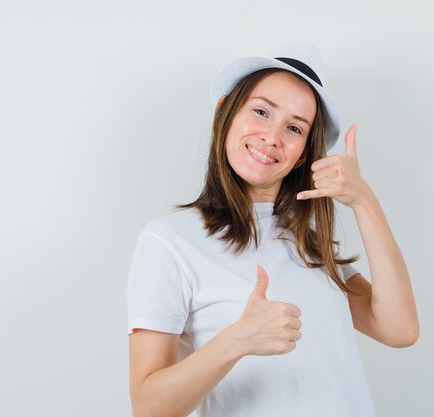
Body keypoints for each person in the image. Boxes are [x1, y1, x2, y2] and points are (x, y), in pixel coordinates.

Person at [126, 42, 419, 417]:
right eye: (262, 111)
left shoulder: (309, 246)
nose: (272, 137)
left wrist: (365, 202)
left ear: (303, 152)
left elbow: (399, 329)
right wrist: (236, 339)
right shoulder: (169, 241)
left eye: (294, 127)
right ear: (226, 112)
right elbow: (148, 408)